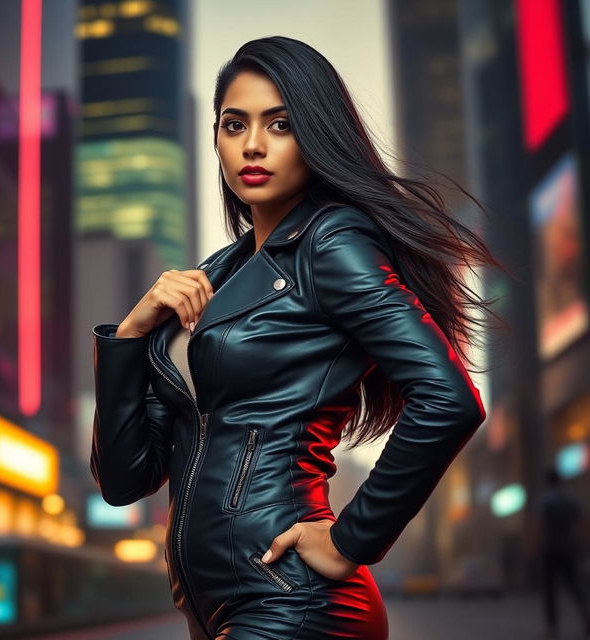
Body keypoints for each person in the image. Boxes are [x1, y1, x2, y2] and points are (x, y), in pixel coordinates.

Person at [89, 36, 507, 640]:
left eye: (279, 125)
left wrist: (349, 541)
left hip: (293, 603)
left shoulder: (331, 244)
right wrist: (129, 335)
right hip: (210, 611)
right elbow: (126, 480)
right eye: (234, 125)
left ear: (315, 134)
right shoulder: (218, 274)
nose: (252, 145)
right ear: (216, 139)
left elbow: (449, 398)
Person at [534, 467, 590, 639]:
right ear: (560, 481)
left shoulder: (545, 500)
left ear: (547, 482)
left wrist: (534, 546)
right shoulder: (570, 500)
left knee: (550, 591)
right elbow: (581, 523)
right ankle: (586, 617)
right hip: (568, 548)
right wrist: (580, 543)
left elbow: (539, 525)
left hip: (550, 549)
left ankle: (551, 628)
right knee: (575, 586)